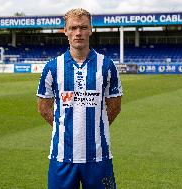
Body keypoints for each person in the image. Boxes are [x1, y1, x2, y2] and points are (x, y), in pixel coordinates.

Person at [36, 8, 123, 189]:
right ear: (65, 31)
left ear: (91, 29)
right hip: (62, 158)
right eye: (73, 28)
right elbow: (43, 108)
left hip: (99, 156)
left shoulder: (107, 65)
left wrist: (94, 127)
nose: (78, 33)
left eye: (83, 27)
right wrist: (66, 128)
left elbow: (114, 107)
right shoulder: (52, 67)